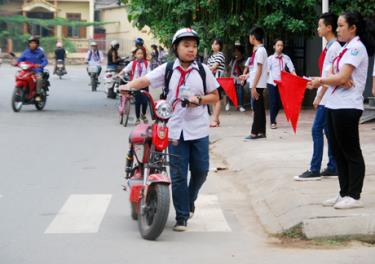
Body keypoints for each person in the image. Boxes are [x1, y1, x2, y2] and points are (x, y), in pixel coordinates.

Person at [120, 28, 220, 231]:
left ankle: (189, 201)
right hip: (174, 129)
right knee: (178, 174)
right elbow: (145, 81)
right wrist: (127, 85)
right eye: (186, 45)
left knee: (201, 171)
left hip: (199, 128)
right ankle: (182, 216)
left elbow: (215, 96)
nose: (191, 50)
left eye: (194, 46)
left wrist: (199, 100)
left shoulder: (202, 70)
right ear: (176, 47)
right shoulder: (167, 69)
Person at [307, 11, 375, 209]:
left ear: (353, 28)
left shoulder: (356, 48)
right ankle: (343, 192)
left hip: (348, 106)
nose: (338, 29)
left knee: (350, 150)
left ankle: (354, 194)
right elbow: (335, 75)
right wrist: (334, 79)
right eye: (337, 25)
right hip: (334, 104)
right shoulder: (345, 49)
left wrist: (323, 80)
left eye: (341, 26)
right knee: (337, 151)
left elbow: (341, 76)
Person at [295, 13, 341, 181]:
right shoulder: (329, 47)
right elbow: (326, 75)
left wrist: (319, 94)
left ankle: (314, 169)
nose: (317, 28)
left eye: (320, 25)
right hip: (327, 95)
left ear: (328, 27)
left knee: (317, 129)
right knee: (328, 131)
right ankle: (333, 166)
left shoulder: (334, 48)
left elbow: (331, 76)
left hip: (329, 97)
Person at [240, 26, 268, 140]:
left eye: (249, 36)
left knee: (257, 109)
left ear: (253, 37)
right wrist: (247, 75)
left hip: (258, 84)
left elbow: (260, 70)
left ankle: (254, 132)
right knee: (259, 108)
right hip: (258, 82)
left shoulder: (260, 51)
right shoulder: (259, 50)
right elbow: (255, 69)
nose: (249, 39)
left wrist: (254, 86)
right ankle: (261, 131)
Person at [267, 39, 296, 129]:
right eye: (278, 45)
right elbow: (267, 71)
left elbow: (292, 69)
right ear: (274, 46)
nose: (280, 47)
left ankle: (273, 117)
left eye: (281, 45)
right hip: (272, 83)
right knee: (273, 102)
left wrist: (296, 78)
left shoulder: (286, 57)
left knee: (279, 103)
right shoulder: (270, 59)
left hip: (282, 83)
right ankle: (273, 121)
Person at [118, 47, 150, 125]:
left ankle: (143, 114)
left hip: (144, 84)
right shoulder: (133, 63)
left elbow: (150, 73)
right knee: (138, 102)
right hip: (135, 85)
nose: (140, 55)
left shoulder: (146, 63)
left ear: (144, 55)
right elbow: (125, 70)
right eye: (138, 53)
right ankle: (138, 118)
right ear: (135, 55)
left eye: (142, 53)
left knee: (145, 101)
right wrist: (119, 74)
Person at [17, 36, 48, 101]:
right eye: (31, 43)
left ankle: (38, 94)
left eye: (34, 43)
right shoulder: (26, 52)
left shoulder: (41, 52)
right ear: (29, 44)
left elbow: (45, 61)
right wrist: (16, 63)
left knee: (39, 78)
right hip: (27, 70)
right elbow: (20, 59)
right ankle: (22, 92)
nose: (32, 44)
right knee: (19, 76)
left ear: (37, 44)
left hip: (37, 71)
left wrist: (40, 65)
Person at [207, 38, 225, 127]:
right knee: (213, 100)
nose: (214, 46)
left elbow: (213, 67)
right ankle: (216, 119)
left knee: (217, 100)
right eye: (213, 44)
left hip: (218, 79)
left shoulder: (220, 55)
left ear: (220, 46)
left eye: (216, 44)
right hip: (211, 79)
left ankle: (214, 120)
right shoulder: (211, 56)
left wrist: (206, 69)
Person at [228, 42, 246, 112]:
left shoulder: (243, 61)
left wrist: (240, 78)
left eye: (236, 51)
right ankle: (229, 103)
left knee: (240, 89)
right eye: (234, 51)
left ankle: (241, 105)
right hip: (233, 78)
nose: (235, 53)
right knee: (229, 88)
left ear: (240, 52)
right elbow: (230, 69)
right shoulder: (233, 60)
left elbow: (244, 70)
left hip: (241, 78)